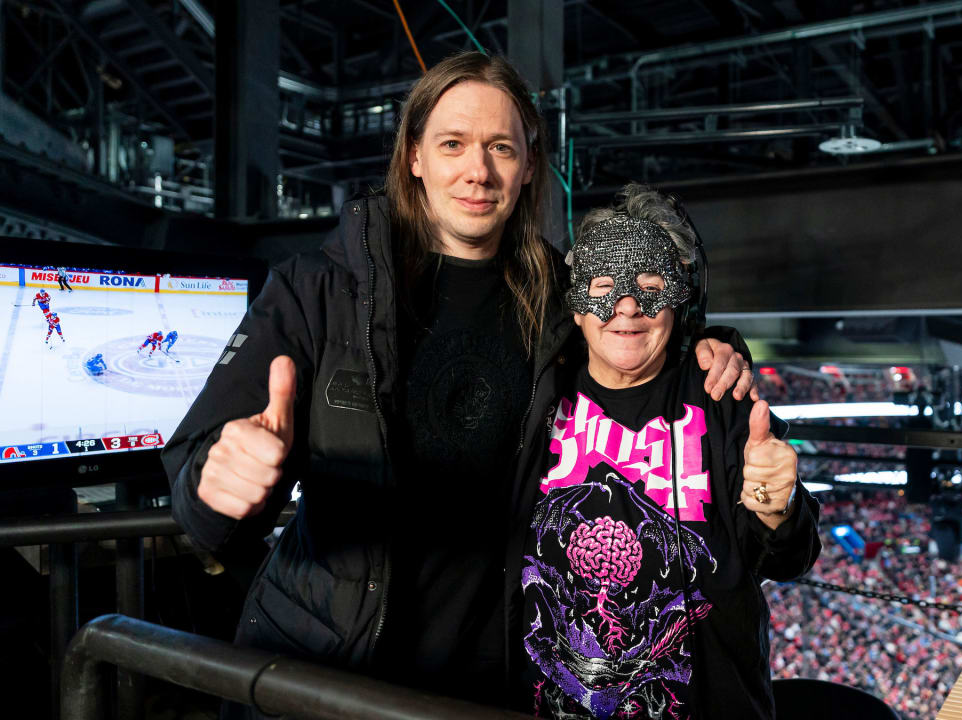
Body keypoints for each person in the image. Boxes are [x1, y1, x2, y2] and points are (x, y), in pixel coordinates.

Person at [162, 51, 754, 719]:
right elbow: (198, 492)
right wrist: (218, 483)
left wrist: (712, 346)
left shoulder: (558, 299)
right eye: (453, 144)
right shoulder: (317, 289)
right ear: (413, 154)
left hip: (491, 679)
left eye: (501, 147)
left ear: (528, 165)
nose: (478, 171)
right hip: (325, 669)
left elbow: (639, 334)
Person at [514, 184, 820, 719]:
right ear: (576, 302)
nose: (628, 307)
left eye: (650, 286)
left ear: (682, 298)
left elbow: (790, 557)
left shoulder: (723, 398)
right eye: (605, 285)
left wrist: (777, 507)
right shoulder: (536, 398)